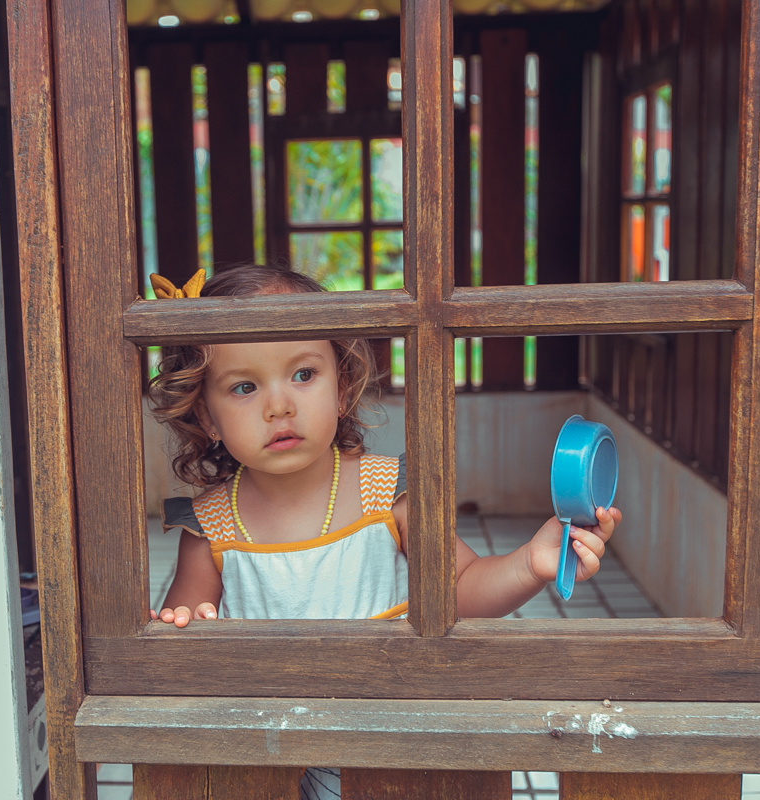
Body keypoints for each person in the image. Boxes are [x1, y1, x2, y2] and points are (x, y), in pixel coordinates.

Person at [146, 263, 620, 799]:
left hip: (396, 758)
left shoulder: (385, 492)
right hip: (273, 765)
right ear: (207, 416)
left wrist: (532, 561)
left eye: (303, 375)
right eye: (245, 386)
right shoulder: (211, 526)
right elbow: (175, 643)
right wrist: (189, 626)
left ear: (342, 386)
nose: (279, 406)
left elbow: (460, 591)